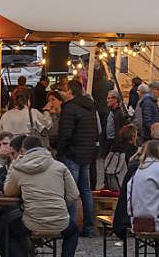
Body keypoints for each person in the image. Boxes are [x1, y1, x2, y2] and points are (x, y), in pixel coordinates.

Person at [4, 136, 80, 257]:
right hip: (59, 220)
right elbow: (74, 195)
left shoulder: (19, 168)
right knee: (74, 231)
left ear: (23, 151)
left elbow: (8, 192)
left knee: (5, 230)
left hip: (31, 222)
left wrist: (14, 164)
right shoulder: (60, 166)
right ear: (44, 149)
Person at [57, 79, 99, 236]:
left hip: (72, 154)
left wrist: (60, 151)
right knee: (85, 190)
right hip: (86, 153)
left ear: (70, 91)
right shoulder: (90, 107)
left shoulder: (70, 108)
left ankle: (71, 228)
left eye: (64, 89)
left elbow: (65, 133)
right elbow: (95, 130)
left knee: (71, 191)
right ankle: (88, 227)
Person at [105, 125, 139, 189]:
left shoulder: (114, 149)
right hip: (126, 183)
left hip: (112, 182)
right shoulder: (133, 150)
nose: (137, 138)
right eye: (136, 135)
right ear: (132, 137)